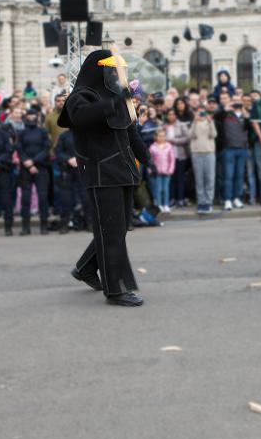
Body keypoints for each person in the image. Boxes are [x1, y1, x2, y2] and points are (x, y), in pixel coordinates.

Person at [62, 50, 151, 307]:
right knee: (110, 231)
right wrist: (115, 102)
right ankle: (115, 289)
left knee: (119, 228)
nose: (116, 74)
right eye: (111, 69)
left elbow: (129, 130)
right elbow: (82, 118)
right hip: (101, 173)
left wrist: (144, 156)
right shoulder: (81, 96)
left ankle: (85, 268)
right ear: (98, 69)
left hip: (122, 171)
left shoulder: (115, 97)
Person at [16, 108, 52, 235]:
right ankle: (25, 227)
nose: (31, 118)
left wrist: (34, 162)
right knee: (25, 199)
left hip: (41, 167)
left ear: (36, 117)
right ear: (26, 117)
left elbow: (46, 148)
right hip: (26, 168)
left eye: (33, 115)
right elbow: (19, 149)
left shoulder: (42, 131)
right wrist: (27, 162)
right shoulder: (21, 132)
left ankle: (44, 226)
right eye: (29, 116)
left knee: (43, 197)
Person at [218, 99, 250, 211]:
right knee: (228, 176)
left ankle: (237, 198)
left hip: (242, 149)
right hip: (229, 149)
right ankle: (227, 199)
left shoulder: (245, 115)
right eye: (234, 101)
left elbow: (249, 128)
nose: (236, 104)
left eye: (238, 102)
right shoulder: (225, 114)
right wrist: (225, 108)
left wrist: (246, 116)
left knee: (240, 176)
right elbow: (217, 118)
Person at [190, 106, 217, 214]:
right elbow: (191, 135)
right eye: (199, 112)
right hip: (197, 153)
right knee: (199, 180)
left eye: (203, 112)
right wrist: (195, 122)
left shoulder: (209, 122)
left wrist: (210, 122)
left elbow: (214, 134)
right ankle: (201, 202)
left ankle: (208, 202)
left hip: (209, 153)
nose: (201, 114)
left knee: (209, 179)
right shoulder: (194, 123)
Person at [148, 128, 175, 213]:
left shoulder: (169, 146)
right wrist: (150, 169)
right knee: (158, 189)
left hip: (167, 171)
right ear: (156, 137)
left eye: (163, 136)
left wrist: (171, 169)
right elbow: (150, 160)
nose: (161, 138)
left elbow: (172, 159)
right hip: (157, 172)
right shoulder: (152, 147)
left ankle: (166, 204)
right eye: (159, 136)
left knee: (166, 189)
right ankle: (159, 205)